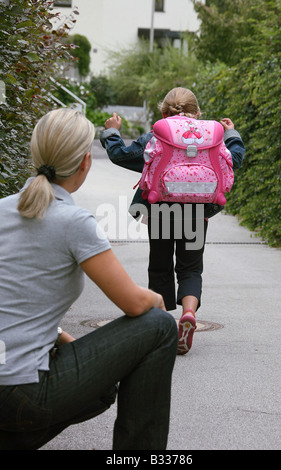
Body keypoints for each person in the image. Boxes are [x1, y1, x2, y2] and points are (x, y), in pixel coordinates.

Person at [0, 107, 178, 451]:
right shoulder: (73, 221)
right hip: (21, 390)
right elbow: (134, 303)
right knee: (158, 326)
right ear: (86, 161)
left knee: (102, 387)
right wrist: (158, 301)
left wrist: (62, 337)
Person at [100, 87, 245, 355]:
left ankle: (165, 327)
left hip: (162, 209)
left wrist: (111, 132)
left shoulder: (157, 134)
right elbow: (233, 160)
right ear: (198, 112)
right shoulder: (210, 136)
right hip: (197, 210)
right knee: (191, 268)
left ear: (164, 112)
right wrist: (231, 134)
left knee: (160, 266)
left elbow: (120, 154)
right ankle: (188, 313)